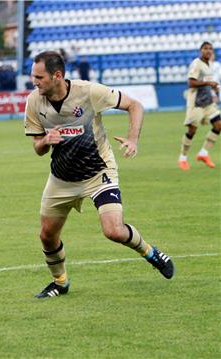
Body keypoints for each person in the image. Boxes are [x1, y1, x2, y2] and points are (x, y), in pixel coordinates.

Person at [24, 51, 174, 299]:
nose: (34, 81)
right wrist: (45, 142)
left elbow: (134, 105)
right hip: (61, 179)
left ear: (57, 75)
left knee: (113, 230)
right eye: (33, 76)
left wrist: (133, 139)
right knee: (47, 235)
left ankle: (150, 252)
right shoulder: (34, 101)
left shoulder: (89, 92)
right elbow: (38, 148)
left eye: (39, 77)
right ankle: (60, 283)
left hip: (98, 172)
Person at [177, 42, 220, 170]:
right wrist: (208, 83)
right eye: (205, 48)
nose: (208, 51)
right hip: (196, 104)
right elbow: (191, 82)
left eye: (210, 49)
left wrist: (213, 90)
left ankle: (203, 154)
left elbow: (207, 83)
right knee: (192, 130)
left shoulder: (210, 65)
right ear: (200, 50)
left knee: (218, 125)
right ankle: (183, 158)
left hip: (208, 103)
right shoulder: (196, 64)